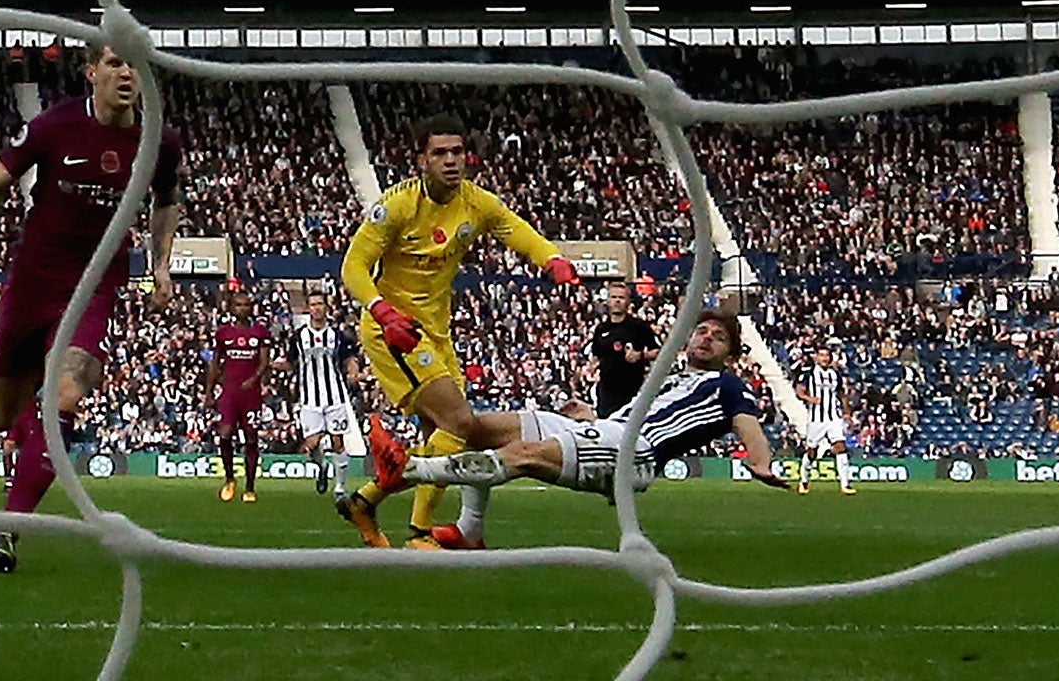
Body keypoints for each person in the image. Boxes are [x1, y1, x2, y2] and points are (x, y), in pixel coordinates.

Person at [0, 42, 183, 574]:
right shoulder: (54, 127)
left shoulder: (159, 140)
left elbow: (166, 201)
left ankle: (6, 531)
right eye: (114, 63)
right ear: (92, 72)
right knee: (1, 417)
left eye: (135, 64)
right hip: (32, 280)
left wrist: (161, 265)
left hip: (95, 284)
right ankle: (24, 443)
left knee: (66, 390)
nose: (126, 73)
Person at [336, 112, 579, 551]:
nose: (450, 160)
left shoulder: (476, 202)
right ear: (421, 160)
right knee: (459, 421)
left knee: (446, 436)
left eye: (457, 152)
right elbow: (352, 266)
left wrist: (551, 258)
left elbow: (515, 228)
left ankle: (365, 499)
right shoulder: (396, 206)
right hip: (395, 330)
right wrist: (383, 312)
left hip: (437, 332)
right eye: (439, 153)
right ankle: (419, 532)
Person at [367, 310, 789, 536]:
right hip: (610, 431)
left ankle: (408, 468)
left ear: (729, 353)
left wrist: (761, 462)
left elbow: (747, 423)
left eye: (718, 337)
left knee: (522, 456)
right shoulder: (671, 376)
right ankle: (469, 530)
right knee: (476, 429)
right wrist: (591, 417)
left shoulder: (727, 384)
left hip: (633, 451)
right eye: (702, 331)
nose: (705, 338)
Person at [291, 290, 364, 496]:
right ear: (308, 308)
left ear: (326, 307)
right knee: (313, 444)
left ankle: (340, 487)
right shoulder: (299, 337)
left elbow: (348, 357)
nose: (316, 308)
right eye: (312, 304)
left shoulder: (337, 335)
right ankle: (322, 467)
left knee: (337, 441)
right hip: (310, 399)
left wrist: (353, 368)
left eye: (320, 304)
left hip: (335, 396)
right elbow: (291, 361)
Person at [209, 287, 271, 503]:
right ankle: (229, 479)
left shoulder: (260, 332)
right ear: (232, 308)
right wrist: (209, 393)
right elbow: (215, 363)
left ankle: (251, 487)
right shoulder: (224, 333)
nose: (242, 308)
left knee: (251, 438)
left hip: (251, 395)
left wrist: (253, 380)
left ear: (251, 308)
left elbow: (264, 362)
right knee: (224, 434)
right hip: (229, 393)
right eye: (239, 305)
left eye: (246, 304)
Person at [589, 282, 660, 418]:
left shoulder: (639, 326)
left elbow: (659, 351)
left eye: (621, 298)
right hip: (607, 392)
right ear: (608, 301)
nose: (617, 301)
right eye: (613, 297)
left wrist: (640, 355)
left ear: (628, 301)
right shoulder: (602, 329)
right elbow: (597, 355)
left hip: (632, 391)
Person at [795, 344, 857, 496]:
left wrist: (847, 412)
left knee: (841, 447)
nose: (824, 358)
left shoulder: (835, 374)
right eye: (821, 355)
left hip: (834, 417)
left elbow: (842, 394)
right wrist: (810, 399)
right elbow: (799, 390)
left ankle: (845, 484)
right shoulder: (808, 373)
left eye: (827, 355)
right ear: (816, 357)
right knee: (812, 451)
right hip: (816, 419)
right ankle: (804, 480)